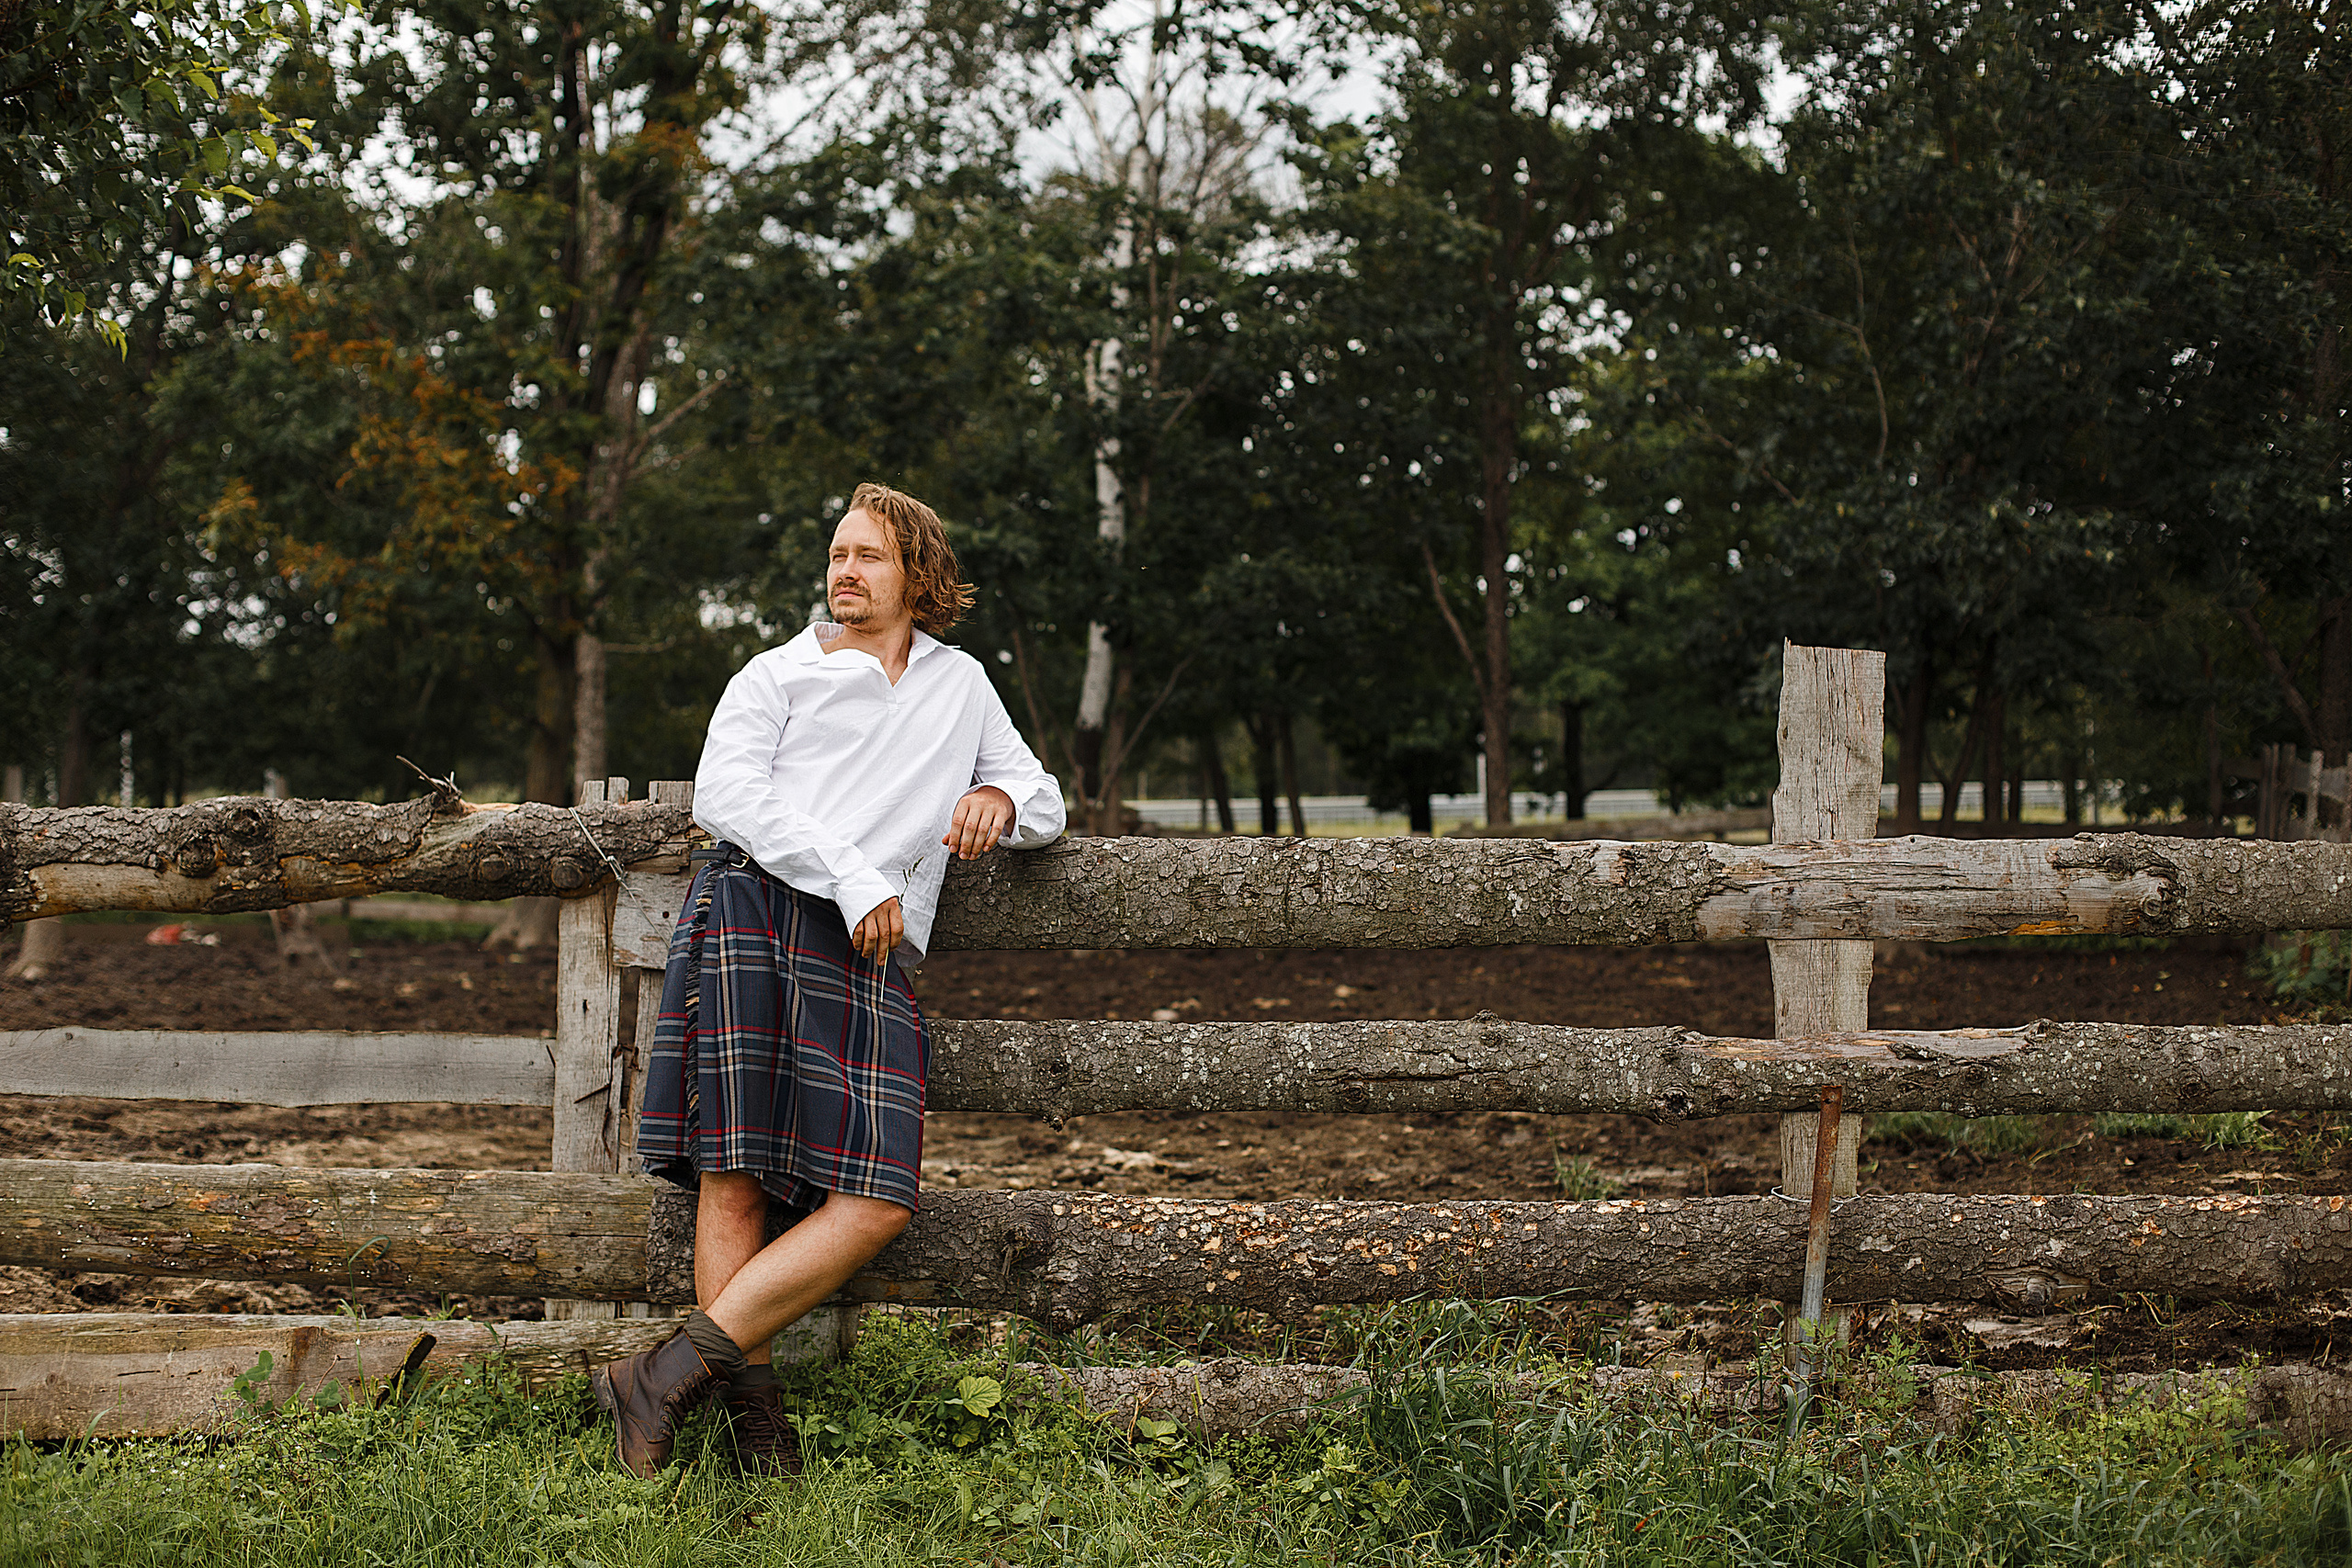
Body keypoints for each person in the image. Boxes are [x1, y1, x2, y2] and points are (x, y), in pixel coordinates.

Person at [591, 482, 1066, 1477]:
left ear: (918, 576)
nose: (844, 572)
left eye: (868, 557)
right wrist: (852, 875)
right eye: (837, 554)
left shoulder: (959, 684)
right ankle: (753, 1426)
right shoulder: (777, 674)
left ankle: (663, 1373)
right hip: (756, 909)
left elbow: (1045, 800)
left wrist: (994, 794)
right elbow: (725, 795)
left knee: (879, 1195)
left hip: (862, 946)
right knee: (736, 1180)